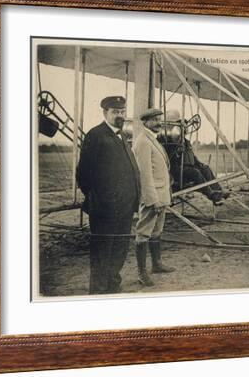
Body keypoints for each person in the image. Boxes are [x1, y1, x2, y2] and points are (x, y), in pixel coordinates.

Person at [76, 95, 141, 294]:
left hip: (125, 207)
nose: (120, 115)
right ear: (105, 113)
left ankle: (113, 286)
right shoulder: (96, 136)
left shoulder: (121, 136)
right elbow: (83, 173)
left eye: (122, 112)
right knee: (102, 252)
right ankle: (98, 292)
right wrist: (99, 199)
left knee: (119, 250)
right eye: (115, 112)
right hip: (106, 209)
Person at [132, 108, 176, 286]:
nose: (159, 123)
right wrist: (152, 199)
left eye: (160, 119)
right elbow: (144, 174)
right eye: (155, 120)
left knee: (156, 232)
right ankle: (142, 273)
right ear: (146, 122)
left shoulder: (152, 139)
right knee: (143, 233)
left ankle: (156, 264)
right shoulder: (143, 141)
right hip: (153, 197)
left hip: (161, 194)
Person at [157, 109, 227, 205]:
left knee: (205, 168)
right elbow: (168, 160)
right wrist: (177, 150)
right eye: (181, 126)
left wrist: (199, 164)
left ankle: (219, 192)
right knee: (195, 173)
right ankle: (212, 195)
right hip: (177, 171)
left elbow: (192, 157)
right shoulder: (169, 142)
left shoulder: (186, 142)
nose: (184, 128)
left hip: (188, 169)